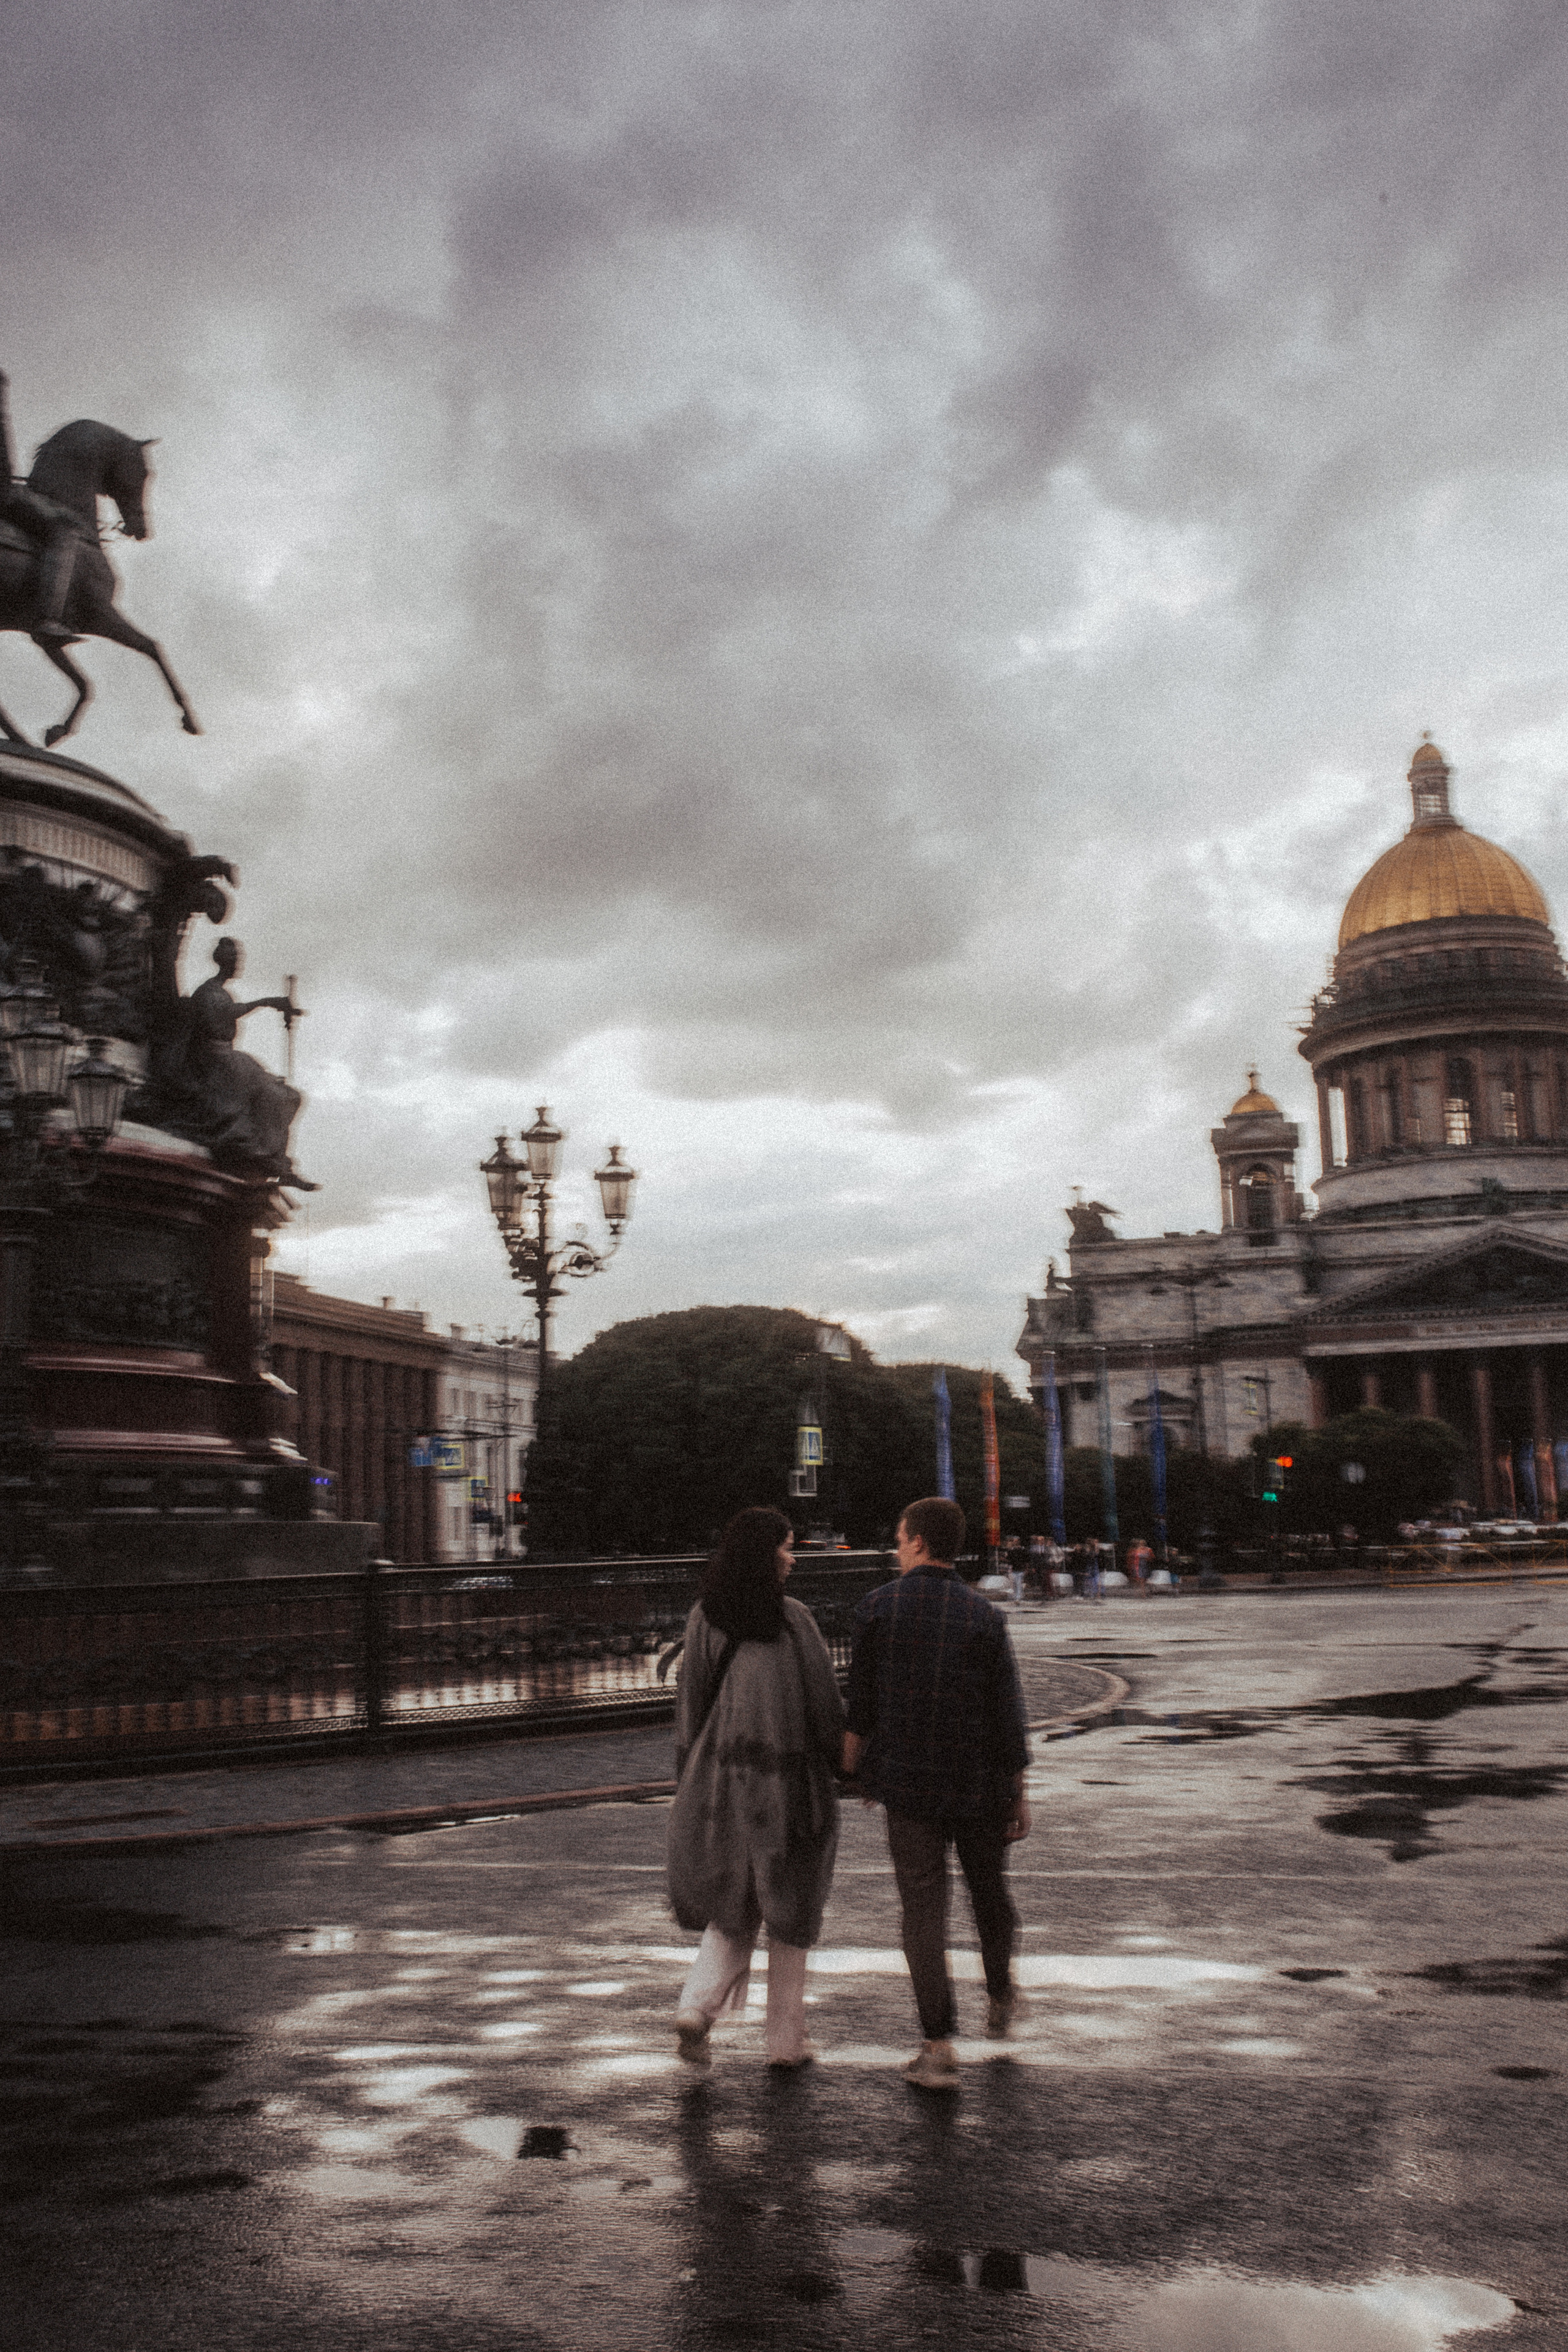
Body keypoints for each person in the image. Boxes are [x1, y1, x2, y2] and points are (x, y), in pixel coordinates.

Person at [843, 1496, 1031, 2092]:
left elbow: (860, 1709)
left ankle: (937, 2043)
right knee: (988, 1895)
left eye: (900, 1538)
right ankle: (1000, 1991)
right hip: (979, 1785)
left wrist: (852, 1773)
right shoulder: (984, 1617)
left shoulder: (876, 1609)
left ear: (919, 1542)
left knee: (922, 1912)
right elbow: (1009, 1716)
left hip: (908, 1787)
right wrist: (1017, 1793)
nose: (897, 1547)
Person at [667, 1506, 846, 2070]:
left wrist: (691, 1774)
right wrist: (845, 1763)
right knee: (792, 1910)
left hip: (719, 1779)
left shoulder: (705, 1616)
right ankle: (785, 2043)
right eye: (788, 1548)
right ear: (766, 1555)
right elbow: (823, 1704)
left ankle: (696, 2008)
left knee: (733, 1903)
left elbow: (691, 1702)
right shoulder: (794, 1619)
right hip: (789, 1783)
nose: (793, 1558)